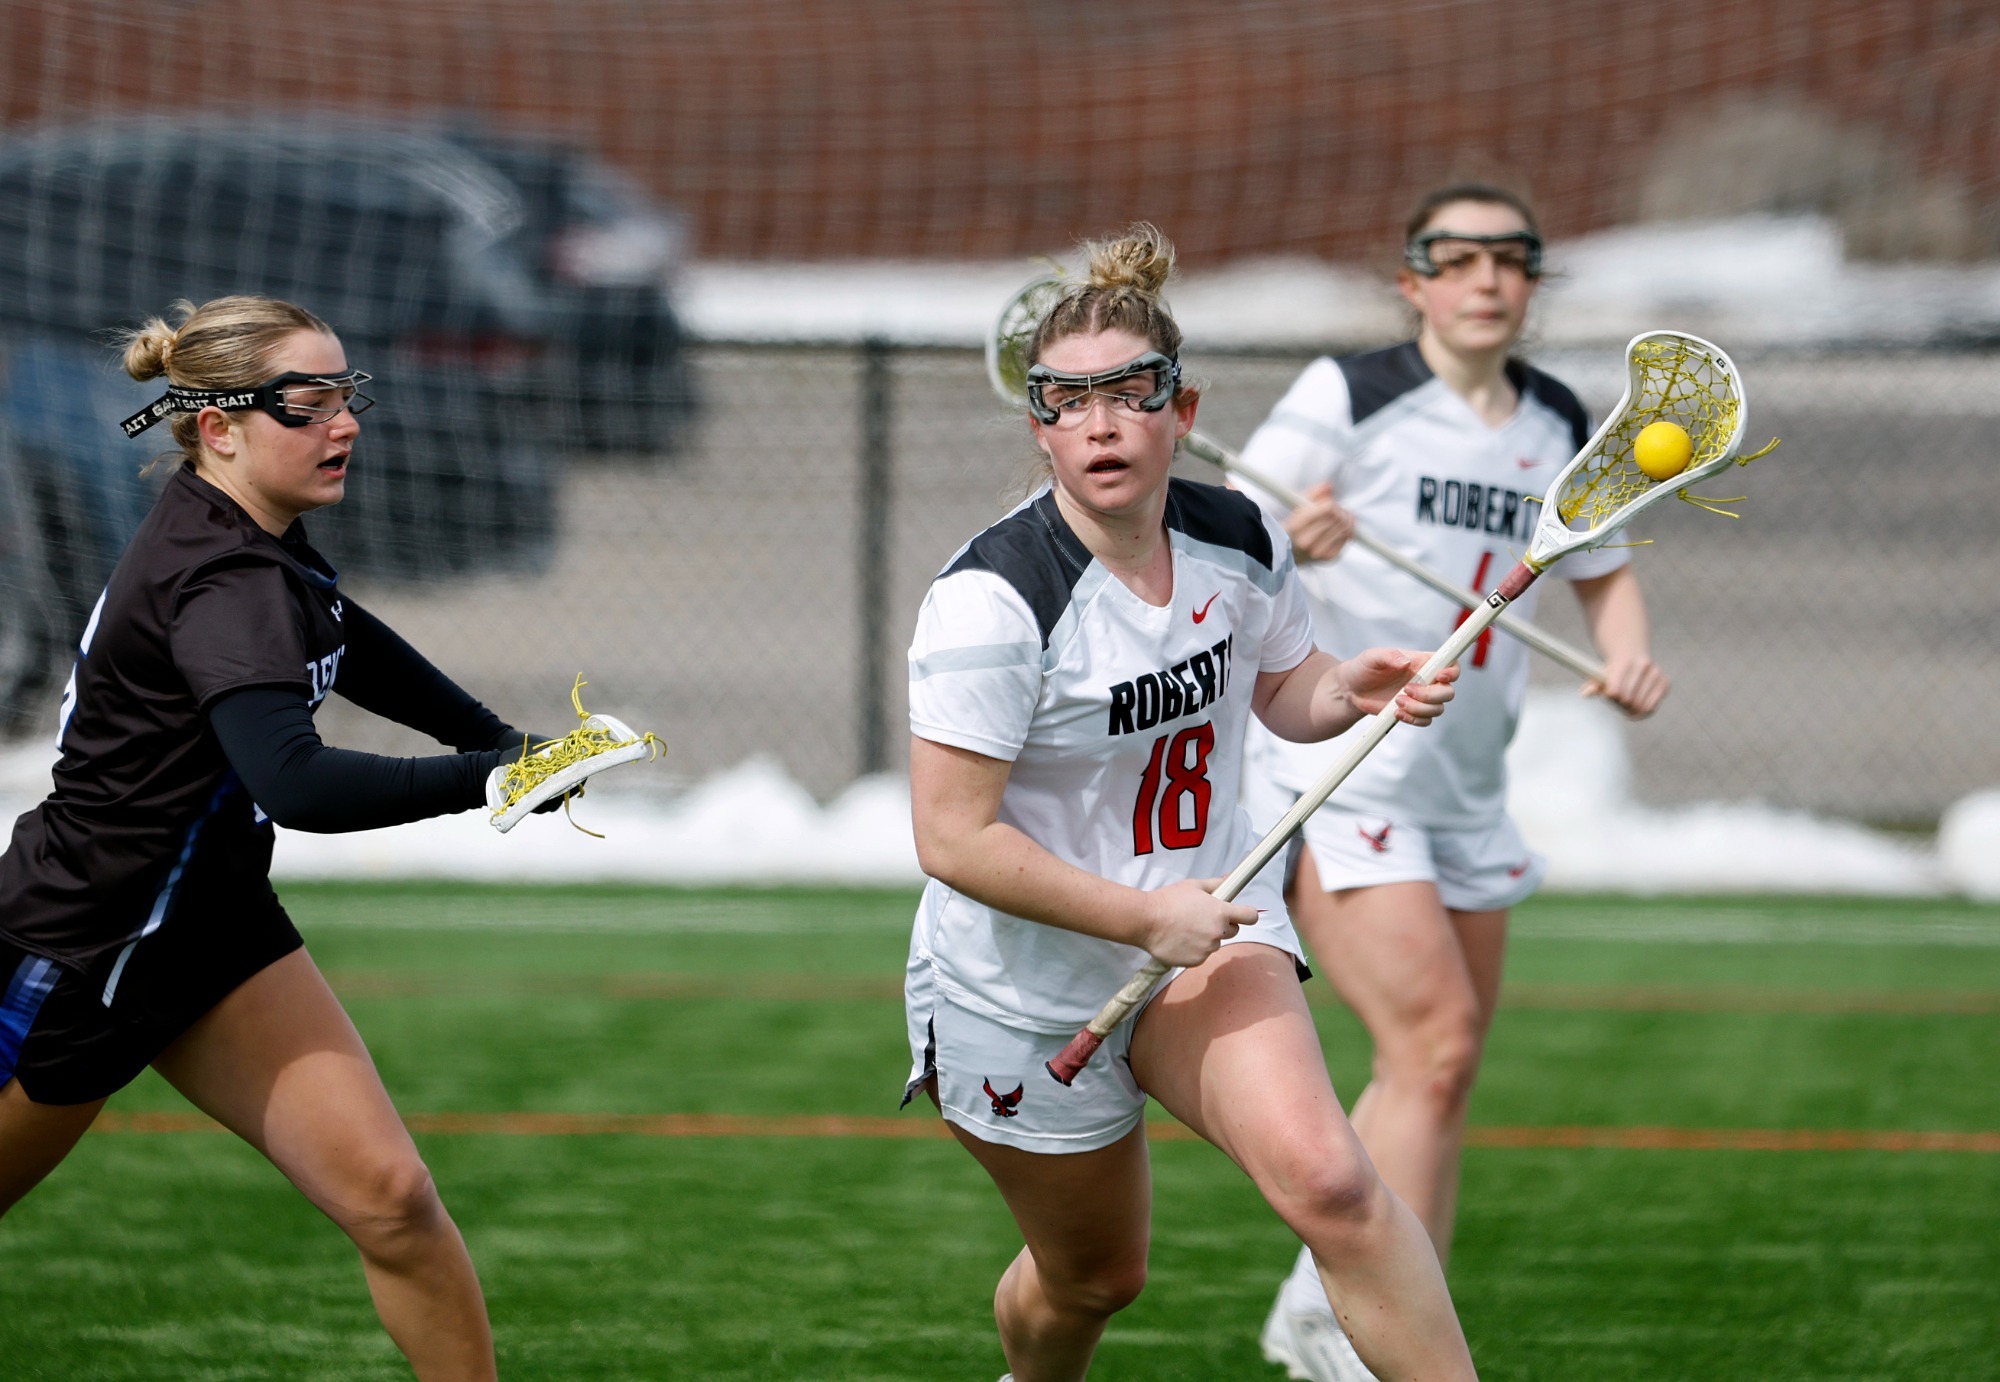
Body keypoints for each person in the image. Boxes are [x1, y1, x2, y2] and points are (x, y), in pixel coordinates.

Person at [902, 226, 1478, 1382]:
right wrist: (1132, 917)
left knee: (1333, 1181)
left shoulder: (1238, 532)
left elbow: (1280, 691)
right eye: (1067, 400)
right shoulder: (990, 602)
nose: (1101, 423)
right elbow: (950, 836)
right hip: (1023, 979)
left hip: (1210, 929)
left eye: (1130, 393)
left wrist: (1346, 687)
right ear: (1039, 426)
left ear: (1181, 406)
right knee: (1091, 1278)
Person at [0, 295, 549, 1381]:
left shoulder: (256, 543)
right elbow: (297, 783)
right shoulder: (222, 578)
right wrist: (497, 775)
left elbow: (342, 630)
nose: (343, 422)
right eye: (309, 403)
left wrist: (493, 734)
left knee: (392, 1199)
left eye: (349, 394)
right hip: (89, 947)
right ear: (220, 425)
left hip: (208, 927)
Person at [1240, 185, 1671, 1381]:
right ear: (1412, 279)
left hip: (1468, 784)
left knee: (1443, 1061)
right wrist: (1299, 533)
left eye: (1509, 259)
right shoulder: (1348, 392)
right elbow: (1233, 523)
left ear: (1531, 283)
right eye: (1457, 257)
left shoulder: (1556, 419)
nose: (1484, 277)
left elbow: (1602, 565)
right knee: (1428, 1040)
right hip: (1347, 762)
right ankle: (1354, 1326)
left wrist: (1626, 653)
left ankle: (1324, 1294)